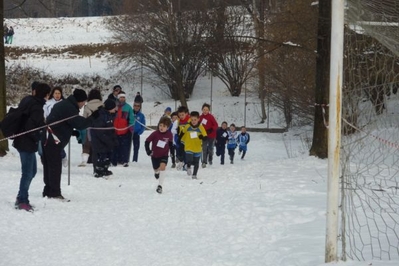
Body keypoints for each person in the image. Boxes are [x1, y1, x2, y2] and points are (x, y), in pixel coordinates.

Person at [42, 88, 98, 201]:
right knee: (55, 166)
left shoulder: (65, 104)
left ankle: (48, 190)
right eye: (83, 102)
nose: (83, 105)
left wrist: (71, 131)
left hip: (49, 137)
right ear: (80, 100)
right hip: (53, 139)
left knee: (49, 165)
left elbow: (60, 122)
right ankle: (54, 193)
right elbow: (81, 124)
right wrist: (94, 117)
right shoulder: (69, 108)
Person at [13, 82, 51, 211]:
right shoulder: (36, 107)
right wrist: (39, 136)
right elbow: (31, 127)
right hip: (26, 143)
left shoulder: (28, 100)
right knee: (27, 173)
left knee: (32, 171)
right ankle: (22, 200)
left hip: (23, 141)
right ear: (45, 94)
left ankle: (21, 196)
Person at [90, 99, 118, 178]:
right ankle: (97, 170)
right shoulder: (100, 116)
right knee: (100, 155)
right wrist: (108, 141)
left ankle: (105, 168)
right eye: (113, 108)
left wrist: (114, 139)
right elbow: (100, 131)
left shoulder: (110, 115)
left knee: (107, 154)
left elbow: (111, 128)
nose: (115, 109)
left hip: (106, 139)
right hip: (98, 140)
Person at [145, 116, 173, 194]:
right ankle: (156, 172)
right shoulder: (155, 134)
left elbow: (171, 144)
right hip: (155, 155)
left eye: (164, 126)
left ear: (167, 127)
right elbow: (147, 141)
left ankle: (160, 186)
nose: (161, 127)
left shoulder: (169, 134)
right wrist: (148, 150)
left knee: (163, 167)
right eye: (160, 125)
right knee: (156, 169)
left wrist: (172, 153)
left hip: (164, 155)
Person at [43, 86, 68, 167]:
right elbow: (45, 114)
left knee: (60, 144)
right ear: (53, 94)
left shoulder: (65, 103)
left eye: (59, 93)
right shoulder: (48, 103)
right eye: (56, 93)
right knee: (53, 144)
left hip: (62, 127)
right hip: (51, 127)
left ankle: (63, 156)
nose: (57, 95)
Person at [178, 111, 207, 179]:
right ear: (190, 119)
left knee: (196, 162)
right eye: (192, 119)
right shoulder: (187, 126)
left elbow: (205, 137)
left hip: (197, 148)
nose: (193, 121)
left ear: (198, 119)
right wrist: (179, 139)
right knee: (189, 159)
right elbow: (182, 133)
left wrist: (202, 137)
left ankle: (194, 175)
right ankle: (188, 166)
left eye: (195, 120)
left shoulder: (200, 127)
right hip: (189, 146)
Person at [79, 88, 103, 166]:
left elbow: (84, 118)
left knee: (87, 144)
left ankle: (85, 160)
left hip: (90, 127)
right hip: (100, 128)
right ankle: (99, 158)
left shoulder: (87, 106)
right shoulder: (102, 105)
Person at [111, 91, 135, 167]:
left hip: (124, 129)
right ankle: (114, 160)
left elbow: (131, 117)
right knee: (115, 146)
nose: (122, 99)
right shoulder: (114, 106)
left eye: (123, 97)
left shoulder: (128, 107)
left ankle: (124, 160)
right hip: (115, 129)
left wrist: (131, 126)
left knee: (124, 146)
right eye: (121, 97)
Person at [199, 103, 218, 168]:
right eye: (204, 109)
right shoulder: (200, 117)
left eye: (207, 110)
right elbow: (198, 126)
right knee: (204, 149)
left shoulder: (211, 117)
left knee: (210, 148)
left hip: (211, 135)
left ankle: (210, 157)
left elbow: (216, 125)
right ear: (202, 110)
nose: (205, 111)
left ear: (209, 110)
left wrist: (211, 129)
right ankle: (204, 162)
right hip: (204, 135)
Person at [172, 106, 190, 170]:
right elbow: (172, 130)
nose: (181, 116)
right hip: (180, 139)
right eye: (180, 115)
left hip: (188, 140)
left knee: (187, 152)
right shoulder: (177, 121)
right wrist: (177, 131)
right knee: (181, 152)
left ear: (186, 113)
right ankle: (183, 162)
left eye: (183, 115)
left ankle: (186, 164)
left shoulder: (190, 120)